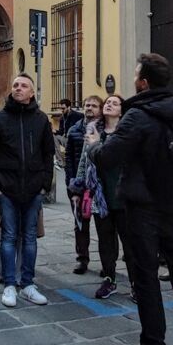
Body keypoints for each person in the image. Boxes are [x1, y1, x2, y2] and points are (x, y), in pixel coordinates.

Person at [90, 53, 173, 345]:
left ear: (143, 82)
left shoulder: (137, 114)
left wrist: (96, 144)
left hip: (144, 207)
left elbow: (109, 158)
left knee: (147, 278)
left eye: (136, 74)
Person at [0, 73, 55, 308]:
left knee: (30, 238)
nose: (18, 88)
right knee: (9, 238)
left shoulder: (41, 120)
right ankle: (9, 285)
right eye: (15, 85)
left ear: (32, 92)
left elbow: (48, 154)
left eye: (24, 86)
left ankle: (28, 285)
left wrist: (44, 185)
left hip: (33, 190)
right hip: (7, 191)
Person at [78, 94, 135, 300]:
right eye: (108, 102)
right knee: (105, 240)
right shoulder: (93, 130)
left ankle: (135, 283)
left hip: (123, 194)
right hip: (100, 195)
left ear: (122, 110)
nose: (109, 104)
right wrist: (79, 187)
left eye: (115, 103)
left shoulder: (127, 132)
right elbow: (85, 160)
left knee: (129, 242)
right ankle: (109, 279)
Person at [65, 95, 103, 275]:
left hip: (100, 185)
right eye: (87, 105)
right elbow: (70, 161)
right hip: (80, 185)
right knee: (80, 224)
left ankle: (107, 262)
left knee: (105, 226)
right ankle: (82, 259)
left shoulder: (105, 131)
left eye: (94, 106)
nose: (89, 108)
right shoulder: (74, 130)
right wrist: (71, 186)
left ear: (100, 109)